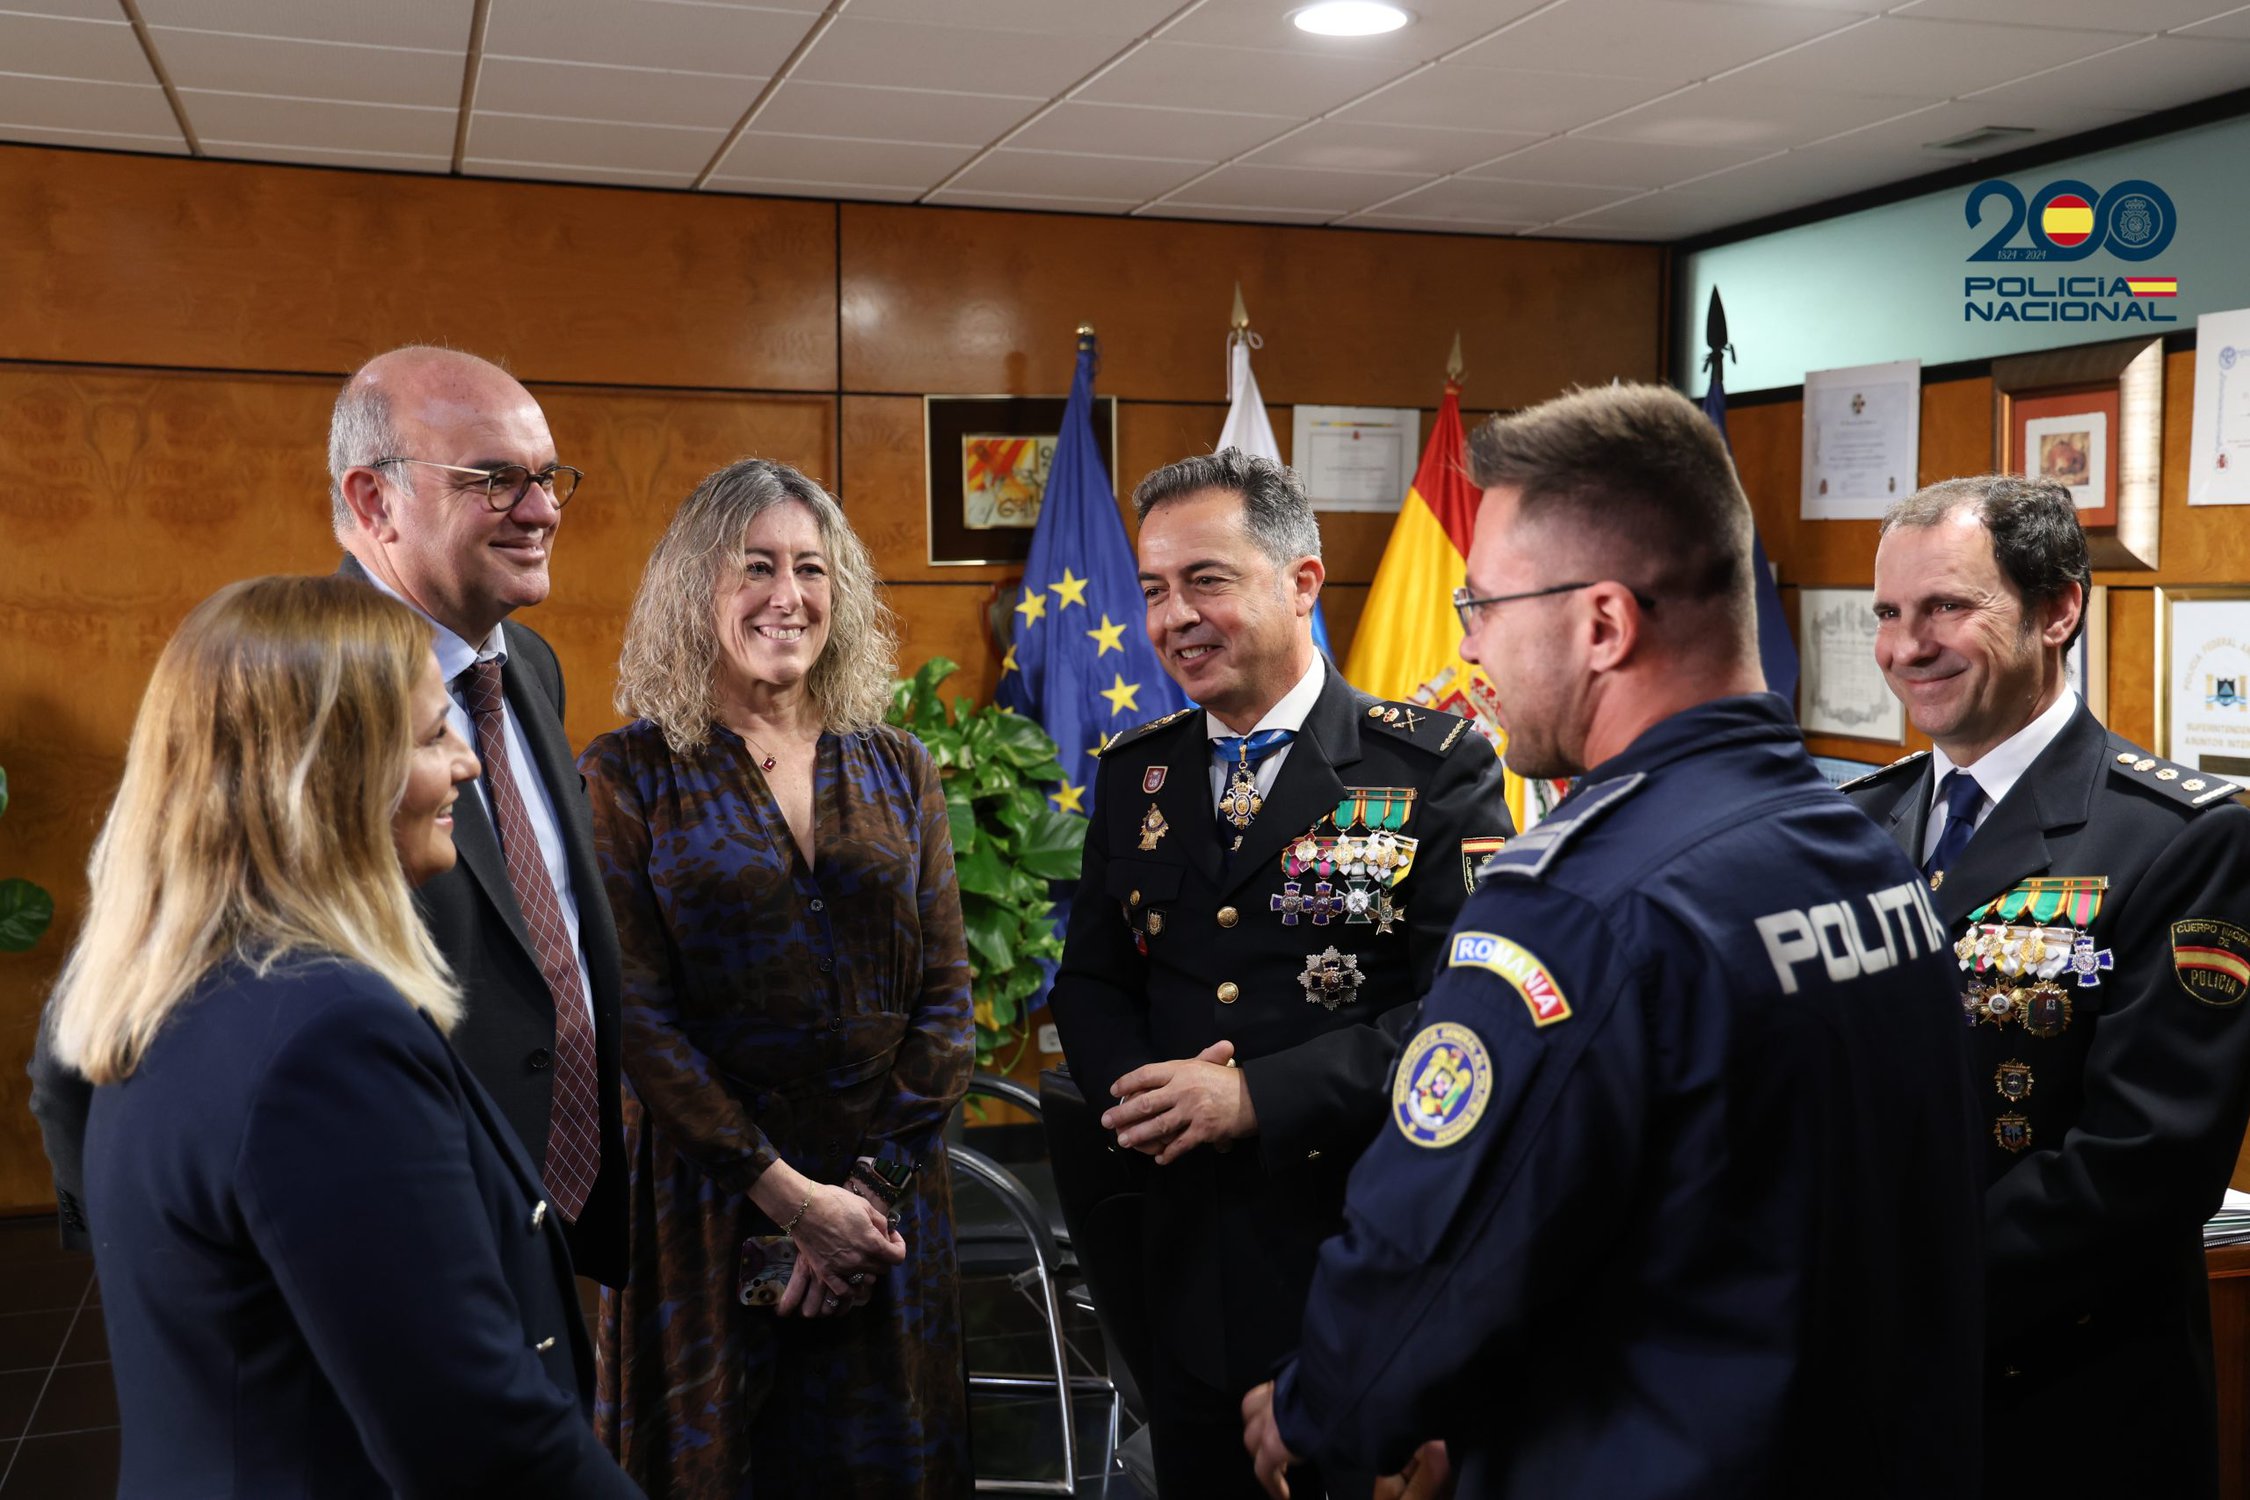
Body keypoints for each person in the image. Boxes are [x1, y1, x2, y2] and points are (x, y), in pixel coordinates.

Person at [1243, 385, 1982, 1498]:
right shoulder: (1864, 845)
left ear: (1602, 623)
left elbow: (1437, 1247)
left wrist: (1317, 1411)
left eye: (1482, 602)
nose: (1467, 641)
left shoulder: (1580, 903)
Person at [29, 346, 631, 1292]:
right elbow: (94, 1021)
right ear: (374, 498)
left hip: (544, 1222)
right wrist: (160, 1263)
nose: (544, 510)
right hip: (376, 1243)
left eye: (549, 478)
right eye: (496, 479)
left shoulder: (533, 669)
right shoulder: (284, 686)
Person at [42, 575, 637, 1496]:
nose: (469, 765)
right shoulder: (327, 1041)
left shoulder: (172, 987)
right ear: (331, 772)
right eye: (435, 736)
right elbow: (480, 1442)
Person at [1048, 448, 1513, 1499]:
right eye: (1156, 591)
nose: (1175, 619)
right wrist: (1147, 1095)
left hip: (1355, 1263)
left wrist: (1257, 1094)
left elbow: (1468, 1024)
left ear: (1302, 581)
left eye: (1206, 580)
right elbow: (1089, 980)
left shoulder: (1431, 769)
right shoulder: (1139, 774)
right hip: (1178, 1262)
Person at [1844, 475, 2250, 1498]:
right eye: (1888, 614)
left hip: (2061, 1410)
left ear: (2059, 608)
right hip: (1863, 1399)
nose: (1906, 647)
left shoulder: (2182, 838)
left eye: (1946, 607)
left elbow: (2142, 1166)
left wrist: (1888, 1297)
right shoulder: (1855, 826)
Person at [581, 458, 973, 1496]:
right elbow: (638, 1020)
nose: (786, 596)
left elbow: (945, 1005)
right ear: (694, 590)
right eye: (755, 566)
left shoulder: (900, 765)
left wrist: (862, 1200)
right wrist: (792, 1201)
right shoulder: (626, 774)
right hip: (709, 1207)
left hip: (884, 1211)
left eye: (812, 568)